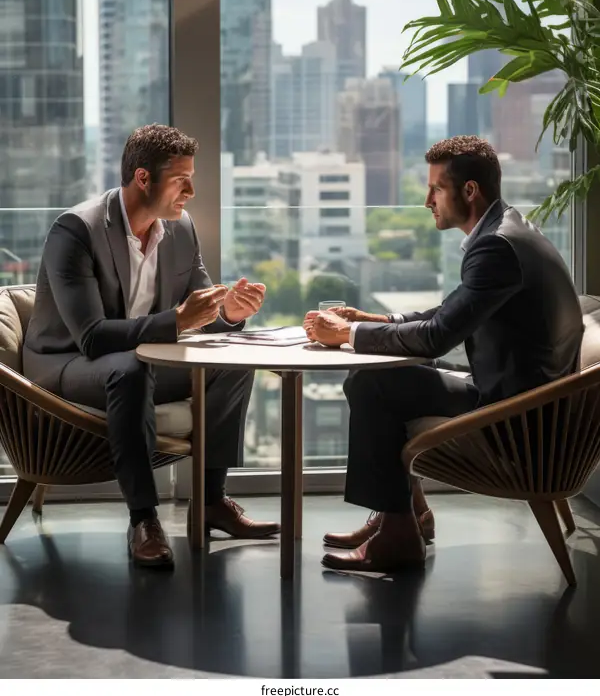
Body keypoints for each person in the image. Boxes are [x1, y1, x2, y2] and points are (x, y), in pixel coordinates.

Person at [304, 136, 583, 574]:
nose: (426, 200)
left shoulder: (496, 247)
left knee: (371, 382)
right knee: (397, 373)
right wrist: (373, 320)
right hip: (529, 399)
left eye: (435, 188)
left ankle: (398, 535)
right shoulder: (507, 230)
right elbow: (454, 312)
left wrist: (349, 334)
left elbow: (437, 336)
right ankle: (405, 515)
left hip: (521, 422)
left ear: (469, 191)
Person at [24, 124, 280, 568]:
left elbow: (201, 318)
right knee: (129, 370)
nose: (192, 191)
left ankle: (212, 500)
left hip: (140, 360)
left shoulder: (179, 230)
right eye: (182, 180)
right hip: (67, 365)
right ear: (143, 178)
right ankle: (144, 519)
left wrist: (229, 314)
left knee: (233, 361)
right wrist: (176, 321)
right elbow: (92, 336)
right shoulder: (76, 231)